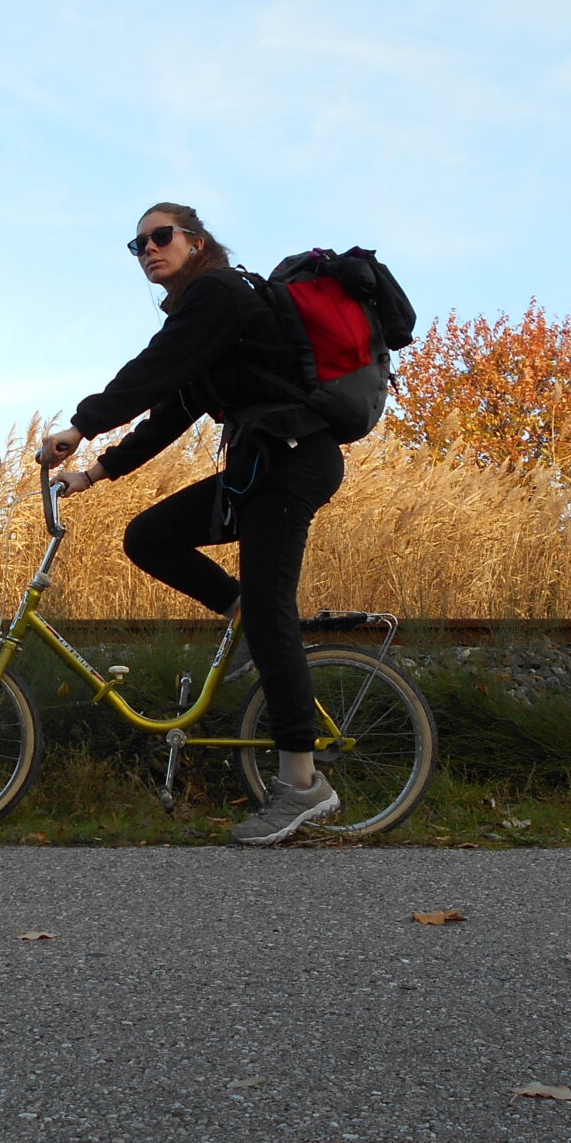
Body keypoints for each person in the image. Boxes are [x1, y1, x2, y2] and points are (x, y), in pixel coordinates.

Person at [39, 203, 347, 846]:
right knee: (149, 537)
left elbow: (153, 372)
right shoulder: (206, 326)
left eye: (161, 236)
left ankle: (303, 785)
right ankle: (240, 609)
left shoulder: (219, 293)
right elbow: (171, 409)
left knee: (272, 611)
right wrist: (94, 473)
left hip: (290, 461)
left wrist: (80, 424)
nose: (148, 248)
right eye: (137, 243)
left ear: (197, 242)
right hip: (258, 469)